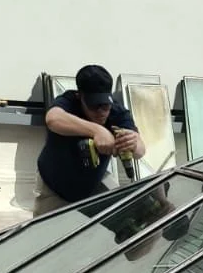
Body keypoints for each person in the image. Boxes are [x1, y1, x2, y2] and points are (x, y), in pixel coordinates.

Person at [34, 64, 145, 217]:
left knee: (136, 223)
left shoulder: (117, 112)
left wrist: (134, 143)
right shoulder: (69, 101)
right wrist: (97, 131)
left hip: (92, 184)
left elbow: (140, 151)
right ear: (80, 96)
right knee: (42, 235)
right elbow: (53, 118)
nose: (101, 112)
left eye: (105, 106)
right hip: (55, 185)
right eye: (94, 106)